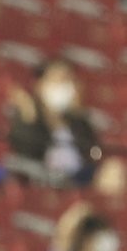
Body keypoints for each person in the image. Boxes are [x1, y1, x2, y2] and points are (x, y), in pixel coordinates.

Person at [7, 57, 123, 189]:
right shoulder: (28, 116)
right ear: (39, 85)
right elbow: (25, 153)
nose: (63, 85)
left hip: (79, 179)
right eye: (57, 79)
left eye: (68, 80)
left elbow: (93, 154)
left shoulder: (79, 121)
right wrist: (29, 116)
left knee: (113, 170)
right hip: (43, 178)